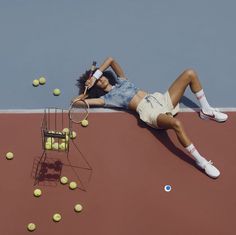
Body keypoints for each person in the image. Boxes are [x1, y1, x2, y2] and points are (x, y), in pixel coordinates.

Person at [73, 57, 228, 178]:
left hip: (160, 100)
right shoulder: (106, 99)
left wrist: (95, 75)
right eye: (98, 82)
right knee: (176, 123)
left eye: (101, 77)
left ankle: (206, 111)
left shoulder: (122, 81)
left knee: (190, 73)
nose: (101, 80)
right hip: (150, 113)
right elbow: (76, 102)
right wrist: (87, 89)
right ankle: (201, 161)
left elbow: (111, 60)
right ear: (96, 87)